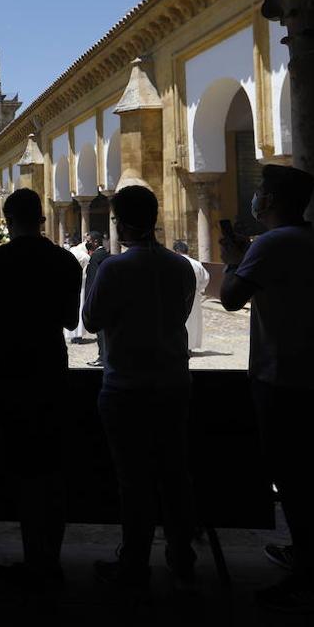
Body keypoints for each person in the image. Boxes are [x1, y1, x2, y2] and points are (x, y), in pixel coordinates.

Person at [220, 164, 314, 612]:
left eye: (260, 192)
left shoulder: (274, 242)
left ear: (270, 201)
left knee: (294, 477)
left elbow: (231, 297)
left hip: (283, 375)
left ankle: (310, 572)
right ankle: (311, 556)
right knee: (309, 472)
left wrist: (235, 258)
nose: (256, 198)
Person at [82, 185, 197, 592]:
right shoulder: (180, 266)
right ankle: (183, 554)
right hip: (173, 381)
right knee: (174, 472)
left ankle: (133, 561)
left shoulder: (114, 268)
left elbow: (92, 321)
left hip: (126, 383)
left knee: (134, 479)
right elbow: (181, 313)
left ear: (121, 223)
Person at [0, 189, 82, 589]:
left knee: (23, 469)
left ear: (5, 219)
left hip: (13, 370)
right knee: (52, 470)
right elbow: (71, 322)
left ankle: (30, 557)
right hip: (52, 369)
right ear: (40, 219)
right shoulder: (65, 261)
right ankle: (49, 560)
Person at [172, 241, 211, 354]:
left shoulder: (175, 263)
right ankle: (189, 346)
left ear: (176, 251)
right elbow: (206, 278)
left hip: (178, 296)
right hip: (195, 296)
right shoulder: (197, 264)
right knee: (193, 322)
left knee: (180, 320)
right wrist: (199, 289)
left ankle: (180, 345)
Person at [83, 230, 110, 367]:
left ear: (95, 241)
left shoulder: (96, 257)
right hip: (106, 297)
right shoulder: (106, 254)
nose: (86, 243)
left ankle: (102, 357)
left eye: (88, 241)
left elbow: (93, 280)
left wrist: (89, 299)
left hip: (98, 298)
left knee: (101, 332)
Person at [64, 235, 91, 344]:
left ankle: (71, 335)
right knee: (80, 308)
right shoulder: (84, 255)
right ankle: (78, 335)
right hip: (81, 284)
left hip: (69, 283)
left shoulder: (69, 253)